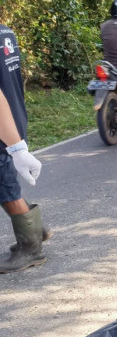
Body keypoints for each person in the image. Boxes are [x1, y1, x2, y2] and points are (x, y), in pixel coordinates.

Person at [0, 23, 48, 274]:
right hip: (13, 120)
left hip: (4, 128)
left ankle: (31, 248)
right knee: (5, 182)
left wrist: (16, 147)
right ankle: (35, 230)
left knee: (5, 186)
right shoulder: (5, 31)